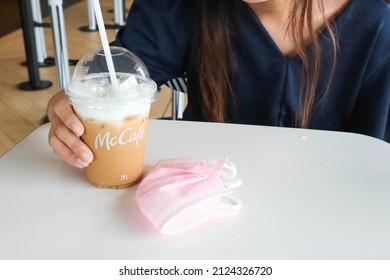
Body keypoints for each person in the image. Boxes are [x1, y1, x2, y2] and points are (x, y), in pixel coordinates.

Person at [47, 0, 390, 168]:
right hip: (202, 206)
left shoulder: (378, 28)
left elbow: (370, 170)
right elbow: (119, 78)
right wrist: (71, 107)